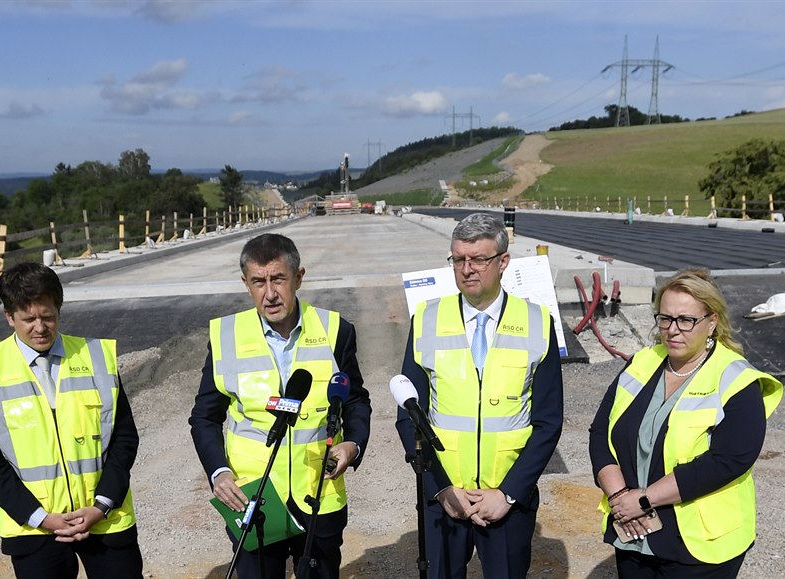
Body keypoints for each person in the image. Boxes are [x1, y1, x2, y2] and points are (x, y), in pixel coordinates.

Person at [189, 233, 371, 579]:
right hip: (255, 498)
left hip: (319, 494)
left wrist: (353, 445)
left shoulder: (336, 331)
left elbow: (357, 400)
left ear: (298, 278)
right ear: (246, 283)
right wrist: (218, 471)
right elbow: (204, 417)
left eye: (278, 279)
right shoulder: (225, 336)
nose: (269, 293)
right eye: (258, 282)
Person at [395, 212, 564, 579]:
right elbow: (409, 416)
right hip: (445, 499)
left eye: (479, 259)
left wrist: (506, 494)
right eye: (459, 259)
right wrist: (440, 489)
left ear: (503, 262)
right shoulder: (426, 319)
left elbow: (548, 421)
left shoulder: (538, 322)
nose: (467, 269)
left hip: (506, 500)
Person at [588, 269, 784, 578]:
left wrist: (642, 500)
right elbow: (601, 433)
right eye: (664, 318)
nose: (673, 330)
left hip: (699, 546)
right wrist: (618, 498)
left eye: (686, 320)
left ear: (712, 322)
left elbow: (728, 460)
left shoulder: (736, 379)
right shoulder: (642, 363)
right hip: (633, 531)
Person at [0, 262, 143, 578]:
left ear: (58, 309)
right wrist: (40, 518)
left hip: (104, 517)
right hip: (34, 528)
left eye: (48, 317)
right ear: (9, 317)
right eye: (28, 319)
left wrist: (101, 506)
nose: (40, 327)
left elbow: (124, 439)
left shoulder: (95, 357)